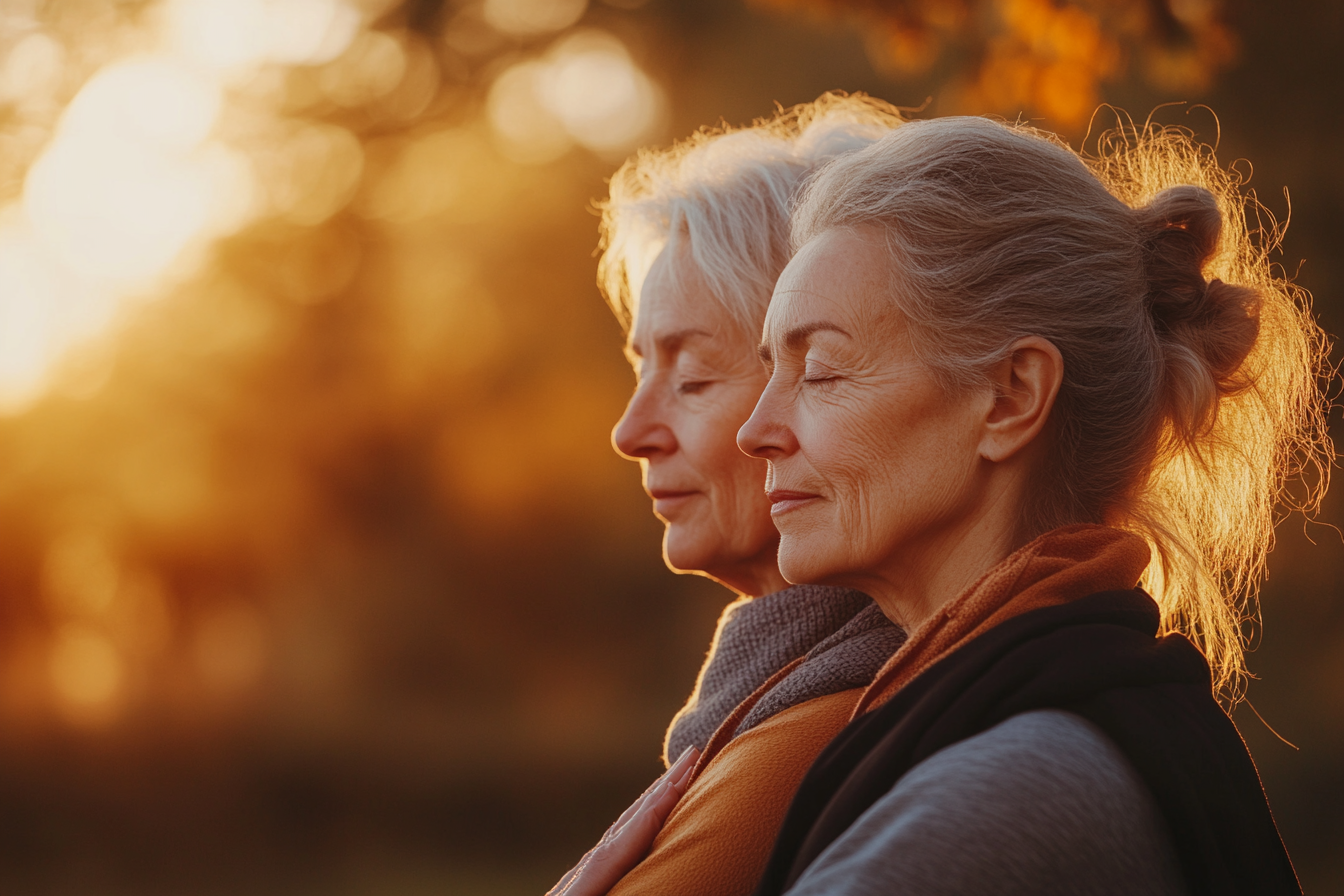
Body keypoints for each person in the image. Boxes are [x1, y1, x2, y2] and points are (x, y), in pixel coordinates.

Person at [734, 115, 1329, 894]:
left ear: (1012, 397)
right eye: (771, 370)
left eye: (820, 370)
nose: (755, 431)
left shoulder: (998, 800)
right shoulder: (1043, 714)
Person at [548, 95, 908, 896]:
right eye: (640, 367)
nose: (631, 431)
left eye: (693, 378)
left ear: (822, 377)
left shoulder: (816, 733)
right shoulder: (772, 702)